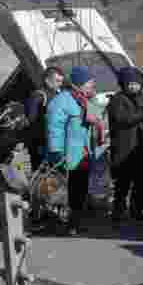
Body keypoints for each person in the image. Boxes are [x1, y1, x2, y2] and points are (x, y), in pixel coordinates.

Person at [46, 65, 105, 235]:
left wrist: (93, 101)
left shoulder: (85, 100)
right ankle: (64, 224)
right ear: (79, 84)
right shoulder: (62, 101)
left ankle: (76, 222)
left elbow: (97, 119)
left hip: (84, 153)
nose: (92, 86)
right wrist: (56, 151)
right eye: (89, 83)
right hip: (67, 154)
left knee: (80, 190)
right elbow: (54, 128)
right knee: (65, 191)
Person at [108, 67, 143, 222]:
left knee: (141, 181)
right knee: (123, 182)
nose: (133, 86)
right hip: (124, 146)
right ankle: (118, 210)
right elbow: (122, 119)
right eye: (129, 84)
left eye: (136, 83)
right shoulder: (118, 99)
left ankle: (137, 210)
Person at [24, 67, 65, 168]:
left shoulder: (59, 95)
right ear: (47, 80)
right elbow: (30, 121)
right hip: (42, 146)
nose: (60, 84)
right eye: (57, 81)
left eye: (61, 81)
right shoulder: (39, 96)